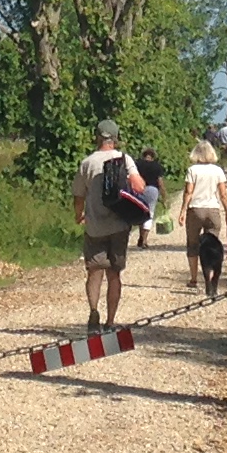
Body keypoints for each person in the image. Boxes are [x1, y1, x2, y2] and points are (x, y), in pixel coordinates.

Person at [70, 120, 145, 331]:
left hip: (94, 226)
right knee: (114, 274)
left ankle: (93, 312)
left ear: (97, 137)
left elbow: (78, 196)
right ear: (115, 138)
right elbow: (139, 186)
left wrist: (79, 215)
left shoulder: (87, 163)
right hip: (119, 225)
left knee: (94, 272)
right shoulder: (124, 159)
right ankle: (111, 322)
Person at [179, 138, 227, 290]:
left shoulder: (192, 170)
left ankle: (194, 278)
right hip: (213, 210)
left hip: (195, 209)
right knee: (212, 245)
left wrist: (183, 210)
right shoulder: (218, 170)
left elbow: (189, 192)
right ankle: (210, 279)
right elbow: (223, 194)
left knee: (193, 245)